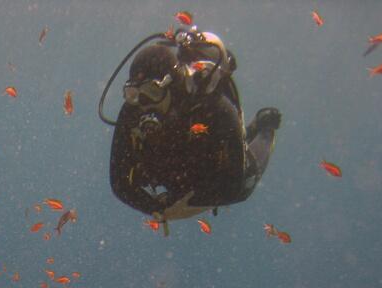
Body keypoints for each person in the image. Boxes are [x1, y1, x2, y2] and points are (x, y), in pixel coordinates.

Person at [101, 26, 281, 231]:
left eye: (152, 91)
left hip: (211, 166)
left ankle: (264, 127)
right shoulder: (132, 109)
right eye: (133, 93)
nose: (143, 102)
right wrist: (157, 209)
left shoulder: (214, 106)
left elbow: (232, 185)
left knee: (246, 185)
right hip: (174, 170)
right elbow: (119, 183)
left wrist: (189, 207)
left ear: (170, 85)